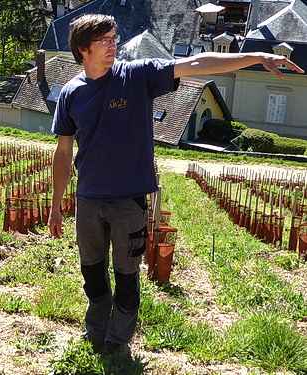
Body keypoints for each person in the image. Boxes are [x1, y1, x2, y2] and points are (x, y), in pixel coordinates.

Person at [48, 14, 303, 354]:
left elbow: (197, 62)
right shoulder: (71, 93)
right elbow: (63, 151)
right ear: (83, 49)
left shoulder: (136, 75)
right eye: (105, 41)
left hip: (128, 201)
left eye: (115, 38)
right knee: (92, 275)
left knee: (126, 275)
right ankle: (95, 330)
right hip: (89, 200)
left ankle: (118, 342)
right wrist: (55, 204)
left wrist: (257, 57)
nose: (115, 46)